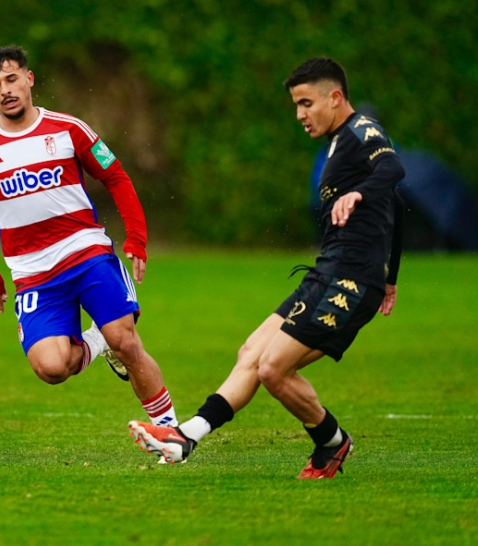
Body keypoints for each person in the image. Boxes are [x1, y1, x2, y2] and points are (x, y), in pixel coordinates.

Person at [128, 57, 405, 478]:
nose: (300, 114)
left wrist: (358, 198)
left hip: (350, 280)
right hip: (328, 272)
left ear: (335, 97)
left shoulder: (361, 130)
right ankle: (186, 437)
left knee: (273, 369)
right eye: (296, 104)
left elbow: (392, 170)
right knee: (251, 353)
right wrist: (393, 277)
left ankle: (333, 443)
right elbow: (395, 205)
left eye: (306, 103)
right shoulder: (337, 143)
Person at [0, 45, 177, 428]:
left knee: (127, 342)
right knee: (52, 368)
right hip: (32, 272)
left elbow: (116, 176)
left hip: (85, 251)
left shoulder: (68, 128)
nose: (6, 90)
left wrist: (137, 238)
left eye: (12, 79)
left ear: (29, 80)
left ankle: (169, 433)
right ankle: (98, 340)